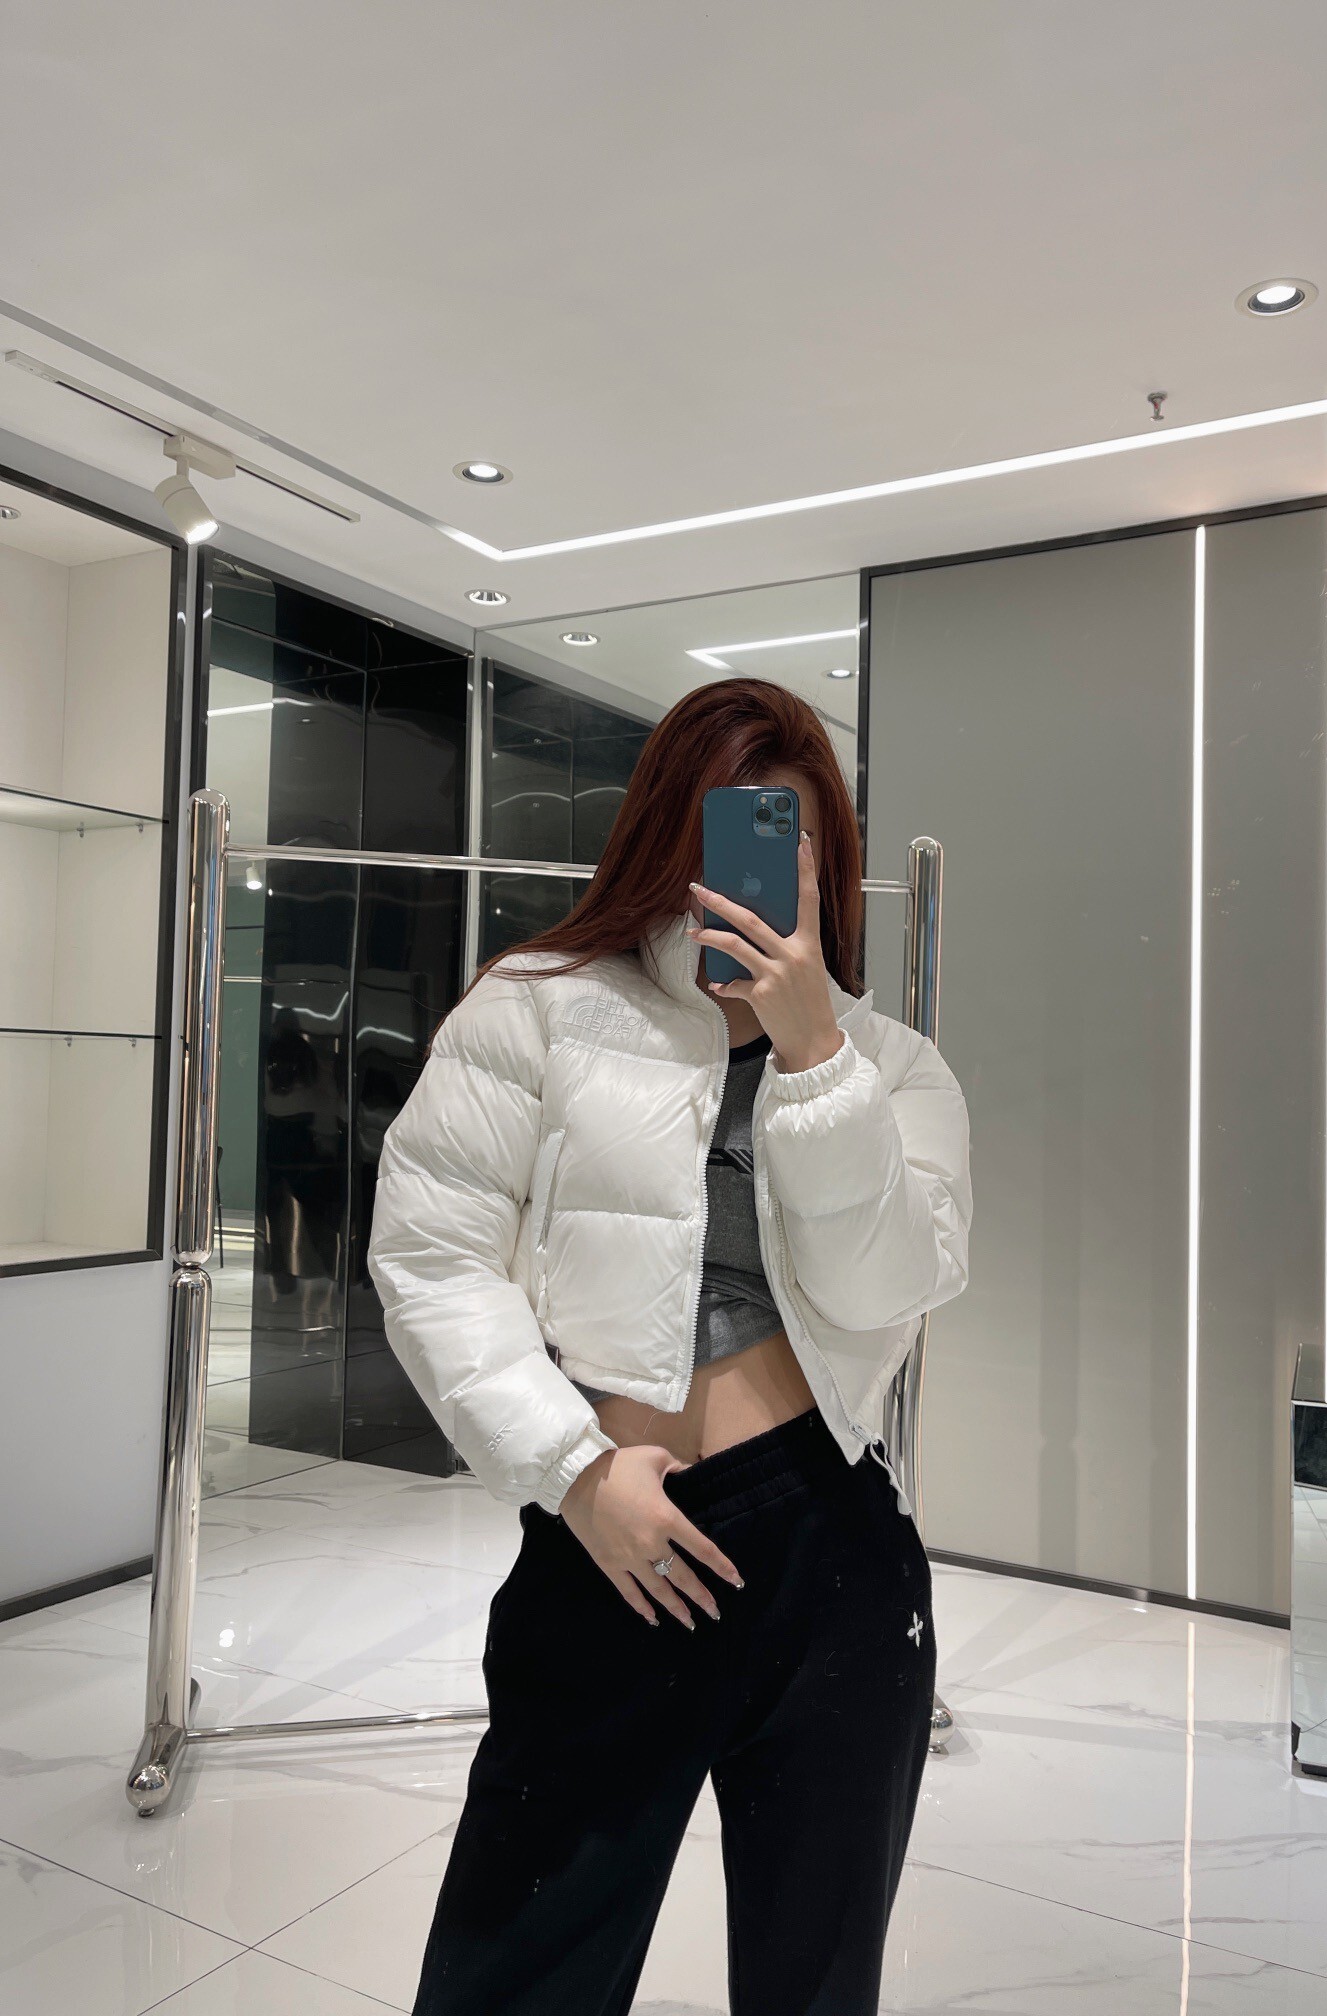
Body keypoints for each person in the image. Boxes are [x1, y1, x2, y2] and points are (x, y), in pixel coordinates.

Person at [368, 676, 972, 2015]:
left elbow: (888, 1288)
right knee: (513, 1974)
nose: (746, 875)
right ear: (660, 837)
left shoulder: (894, 1067)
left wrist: (817, 1058)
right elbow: (431, 1256)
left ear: (828, 861)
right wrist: (574, 1469)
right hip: (607, 1541)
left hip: (830, 1552)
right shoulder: (536, 1006)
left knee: (815, 1986)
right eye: (719, 834)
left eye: (782, 839)